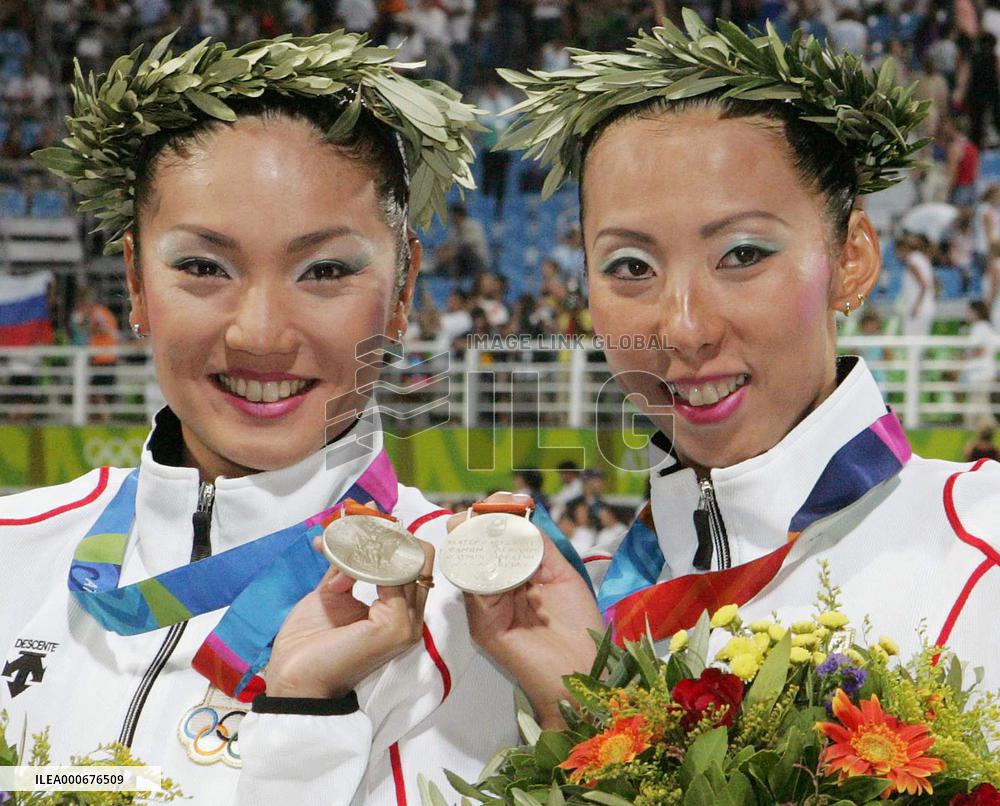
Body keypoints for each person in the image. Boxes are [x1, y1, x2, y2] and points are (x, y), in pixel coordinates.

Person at [4, 31, 516, 803]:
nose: (261, 334)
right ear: (136, 284)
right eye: (204, 267)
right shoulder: (16, 551)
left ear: (404, 290)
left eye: (327, 271)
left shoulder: (466, 618)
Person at [453, 20, 1000, 728]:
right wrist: (574, 722)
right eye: (630, 268)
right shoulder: (566, 625)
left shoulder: (982, 541)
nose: (683, 327)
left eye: (742, 255)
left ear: (853, 258)